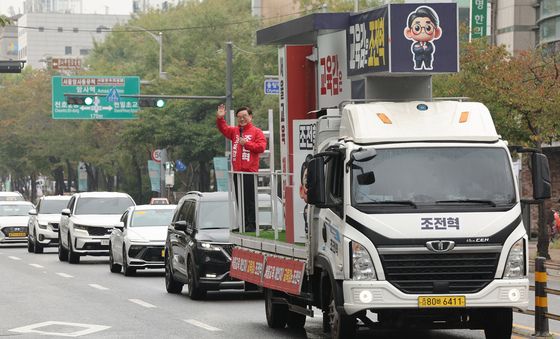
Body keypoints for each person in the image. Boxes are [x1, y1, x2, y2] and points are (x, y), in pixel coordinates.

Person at [216, 104, 266, 232]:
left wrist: (247, 144)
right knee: (240, 199)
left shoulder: (256, 131)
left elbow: (261, 147)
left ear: (250, 117)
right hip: (237, 171)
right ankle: (243, 225)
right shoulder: (235, 131)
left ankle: (252, 225)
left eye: (244, 116)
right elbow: (224, 129)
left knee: (249, 199)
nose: (242, 119)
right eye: (239, 117)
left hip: (249, 171)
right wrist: (220, 118)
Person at [403, 6, 442, 71]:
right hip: (418, 58)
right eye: (417, 28)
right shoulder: (415, 45)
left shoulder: (429, 44)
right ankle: (417, 67)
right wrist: (422, 48)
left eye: (428, 28)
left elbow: (430, 50)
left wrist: (424, 48)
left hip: (428, 58)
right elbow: (415, 50)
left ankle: (428, 66)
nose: (423, 31)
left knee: (428, 65)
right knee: (418, 65)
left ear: (436, 32)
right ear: (409, 32)